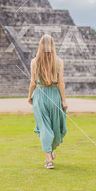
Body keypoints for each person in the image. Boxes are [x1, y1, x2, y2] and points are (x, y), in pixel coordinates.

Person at [28, 34, 68, 169]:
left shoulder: (34, 62)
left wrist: (29, 96)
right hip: (55, 95)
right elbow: (61, 82)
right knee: (55, 127)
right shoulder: (59, 61)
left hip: (40, 94)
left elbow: (33, 82)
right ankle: (50, 154)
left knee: (45, 128)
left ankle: (49, 160)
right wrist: (64, 100)